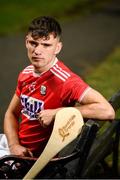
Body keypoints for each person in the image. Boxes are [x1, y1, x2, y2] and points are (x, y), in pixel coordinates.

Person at [2, 16, 115, 158]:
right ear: (26, 42)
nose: (37, 50)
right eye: (33, 43)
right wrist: (14, 145)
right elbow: (11, 113)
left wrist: (58, 112)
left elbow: (107, 111)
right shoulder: (26, 73)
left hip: (37, 161)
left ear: (58, 47)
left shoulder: (66, 80)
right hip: (17, 149)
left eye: (46, 45)